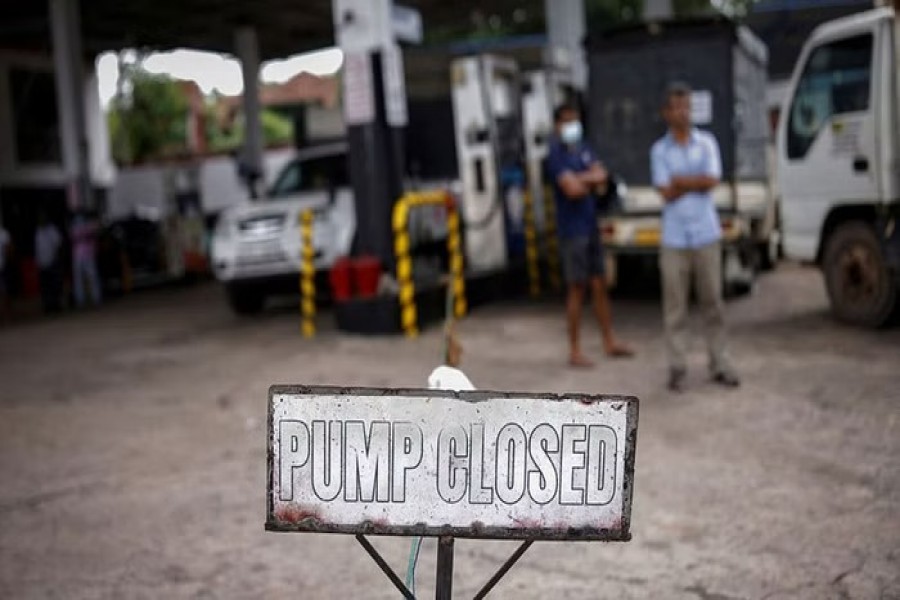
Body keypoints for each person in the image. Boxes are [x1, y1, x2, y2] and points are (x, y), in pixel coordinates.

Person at [650, 83, 740, 392]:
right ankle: (677, 366)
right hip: (674, 239)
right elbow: (665, 192)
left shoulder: (707, 143)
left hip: (705, 234)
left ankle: (721, 362)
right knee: (675, 307)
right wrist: (695, 182)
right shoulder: (659, 150)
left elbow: (711, 180)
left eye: (687, 106)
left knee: (713, 301)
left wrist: (682, 182)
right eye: (677, 107)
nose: (683, 112)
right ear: (666, 113)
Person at [546, 103, 633, 368]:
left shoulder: (583, 149)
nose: (573, 126)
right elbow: (571, 189)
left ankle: (609, 340)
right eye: (567, 121)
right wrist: (589, 180)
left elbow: (602, 176)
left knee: (599, 284)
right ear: (558, 125)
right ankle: (574, 350)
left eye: (576, 119)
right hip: (572, 231)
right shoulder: (556, 155)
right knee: (576, 288)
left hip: (590, 225)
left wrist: (582, 179)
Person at [70, 210, 103, 308]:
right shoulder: (74, 226)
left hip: (88, 254)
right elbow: (74, 237)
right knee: (79, 279)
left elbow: (96, 231)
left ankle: (96, 298)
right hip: (78, 255)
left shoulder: (90, 225)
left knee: (92, 277)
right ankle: (80, 300)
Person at [35, 212, 63, 313]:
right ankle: (48, 307)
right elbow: (37, 248)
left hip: (52, 262)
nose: (41, 220)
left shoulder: (52, 229)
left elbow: (58, 244)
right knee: (45, 287)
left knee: (55, 286)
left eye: (43, 218)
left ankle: (56, 305)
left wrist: (56, 259)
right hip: (42, 264)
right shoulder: (38, 231)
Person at [0, 220, 11, 321]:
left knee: (4, 292)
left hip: (2, 268)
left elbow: (8, 250)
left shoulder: (3, 233)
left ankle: (6, 316)